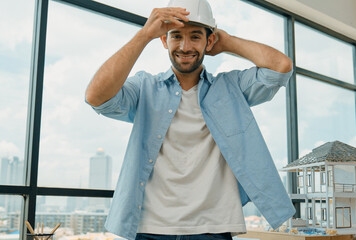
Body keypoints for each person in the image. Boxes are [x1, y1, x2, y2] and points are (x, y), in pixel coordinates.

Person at [85, 0, 295, 239]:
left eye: (195, 36)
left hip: (213, 228)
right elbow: (96, 97)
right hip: (151, 228)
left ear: (209, 41)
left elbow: (281, 66)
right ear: (164, 40)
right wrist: (144, 35)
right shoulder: (145, 88)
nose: (185, 47)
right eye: (176, 36)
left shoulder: (231, 87)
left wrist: (227, 43)